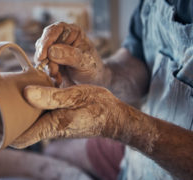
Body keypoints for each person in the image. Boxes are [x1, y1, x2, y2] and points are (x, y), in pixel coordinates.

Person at [11, 0, 193, 179]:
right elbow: (142, 63)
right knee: (52, 150)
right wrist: (103, 74)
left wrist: (122, 126)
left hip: (161, 148)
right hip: (137, 156)